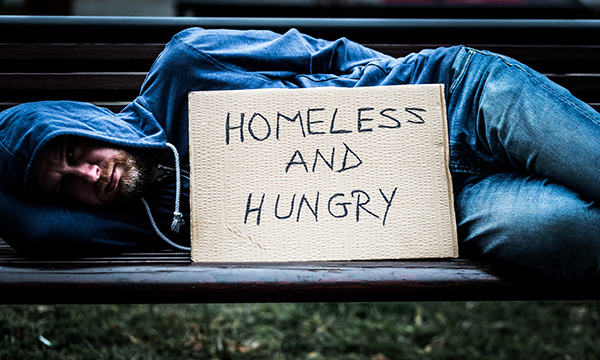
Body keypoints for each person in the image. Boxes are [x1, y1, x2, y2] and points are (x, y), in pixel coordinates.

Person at [0, 27, 599, 279]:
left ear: (85, 121)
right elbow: (41, 234)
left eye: (74, 148)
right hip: (440, 205)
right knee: (567, 233)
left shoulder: (186, 64)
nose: (89, 172)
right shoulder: (144, 219)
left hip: (462, 104)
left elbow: (330, 54)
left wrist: (391, 120)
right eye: (64, 184)